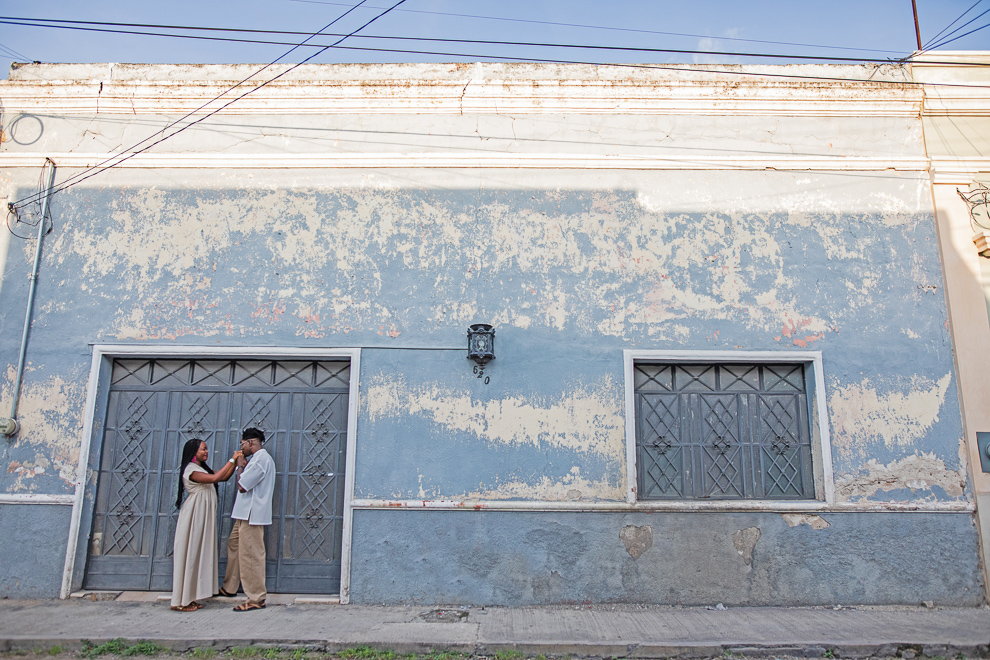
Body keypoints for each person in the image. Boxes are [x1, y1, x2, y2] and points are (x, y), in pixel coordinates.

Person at [171, 438, 242, 612]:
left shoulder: (201, 469)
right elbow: (217, 477)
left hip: (202, 517)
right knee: (191, 554)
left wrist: (237, 462)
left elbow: (223, 477)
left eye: (207, 449)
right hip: (194, 518)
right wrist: (233, 459)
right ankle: (180, 601)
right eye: (203, 449)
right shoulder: (191, 469)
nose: (206, 452)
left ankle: (190, 597)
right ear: (193, 451)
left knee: (196, 555)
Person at [219, 427, 276, 612]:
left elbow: (242, 486)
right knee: (234, 545)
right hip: (243, 514)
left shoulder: (260, 460)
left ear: (250, 442)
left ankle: (256, 598)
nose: (241, 447)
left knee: (251, 555)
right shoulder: (257, 459)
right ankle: (230, 587)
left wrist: (240, 464)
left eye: (242, 444)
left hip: (252, 515)